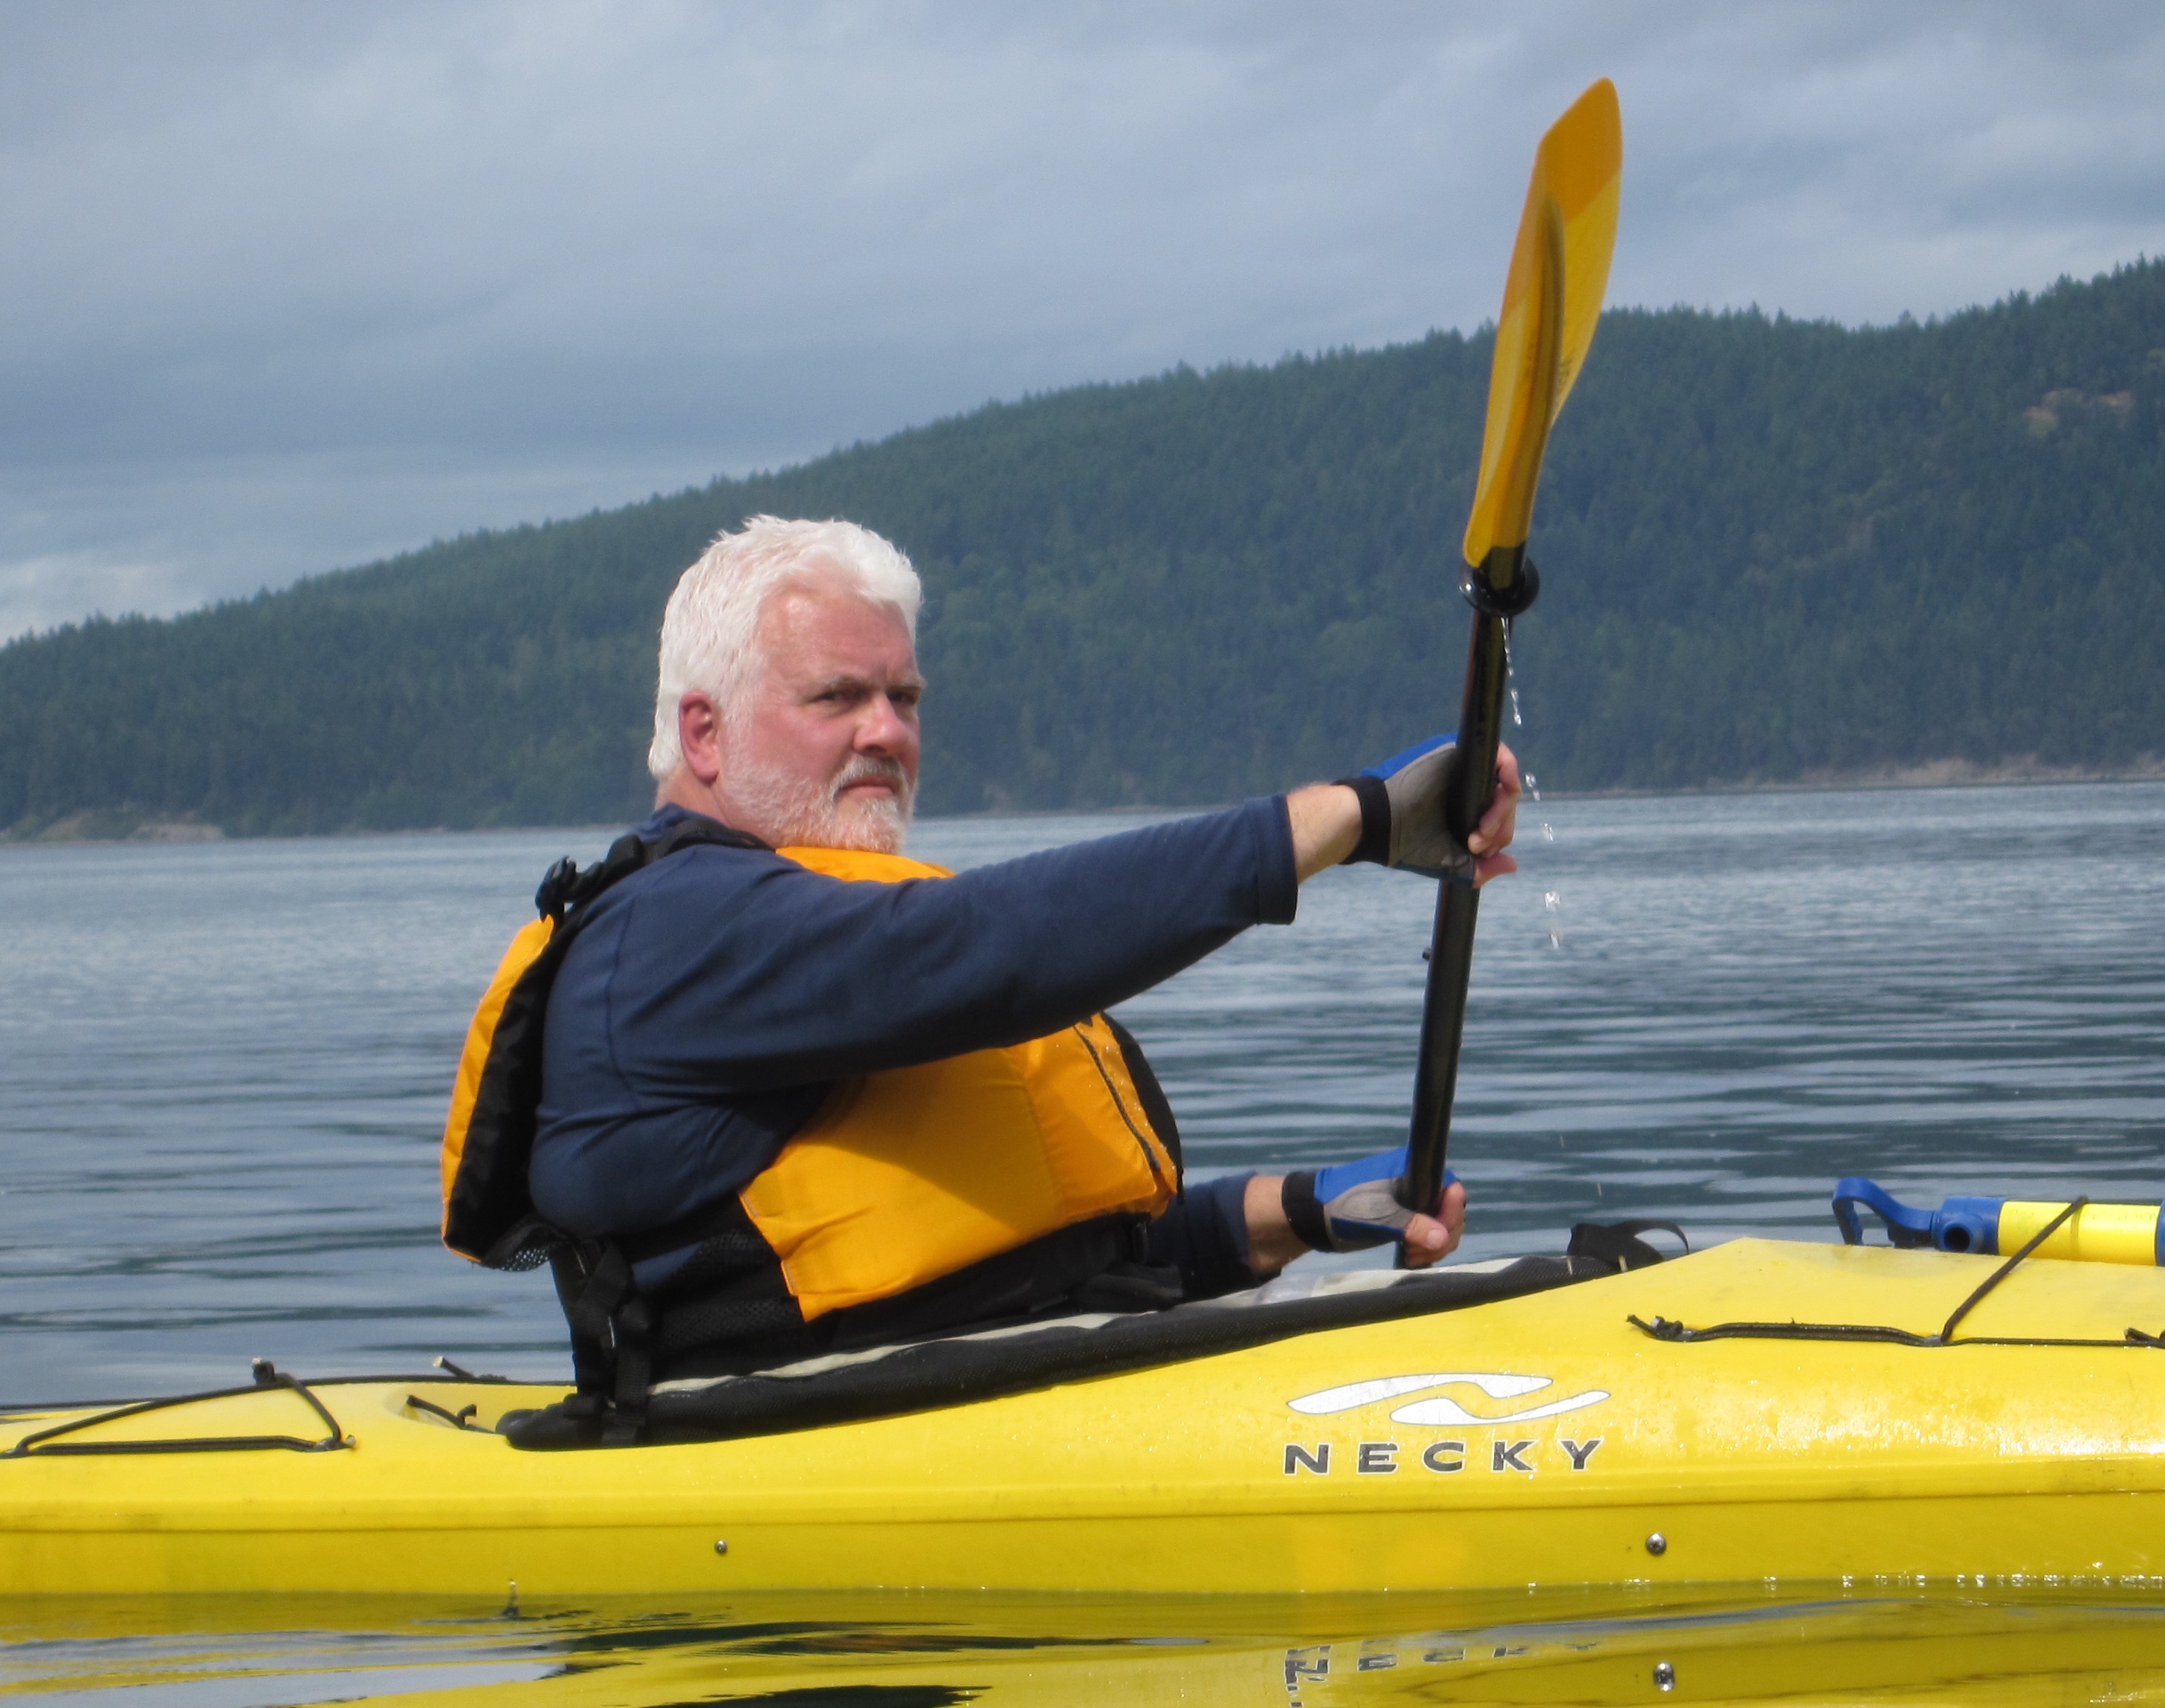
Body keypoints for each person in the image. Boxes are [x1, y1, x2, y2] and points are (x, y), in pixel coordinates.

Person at [440, 515, 1518, 1408]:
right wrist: (1354, 818)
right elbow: (983, 950)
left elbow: (1062, 1266)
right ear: (705, 734)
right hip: (810, 1469)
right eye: (838, 697)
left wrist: (1304, 1209)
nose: (888, 732)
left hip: (1028, 1387)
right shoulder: (666, 936)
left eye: (904, 699)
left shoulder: (821, 929)